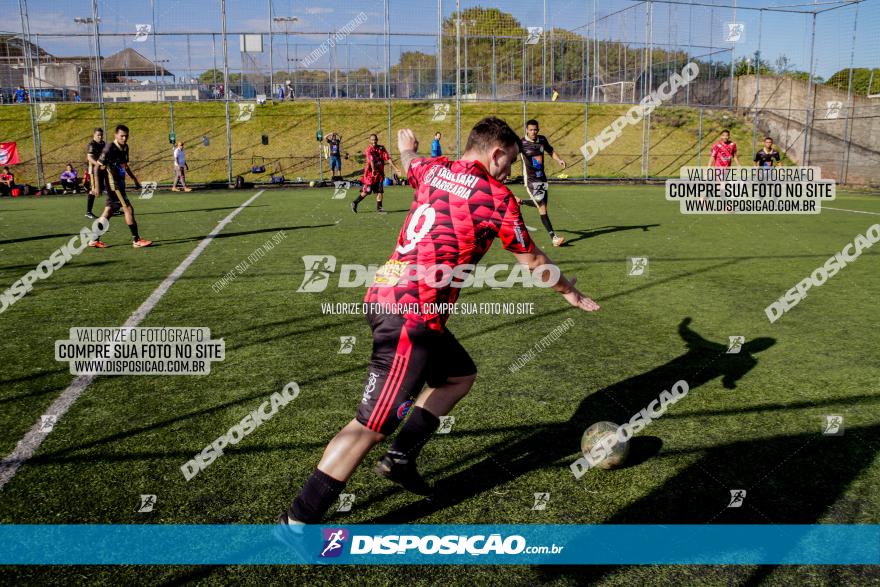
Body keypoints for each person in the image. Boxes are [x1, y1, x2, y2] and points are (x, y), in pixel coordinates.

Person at [278, 117, 600, 528]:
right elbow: (534, 262)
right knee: (369, 426)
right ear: (496, 152)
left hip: (392, 299)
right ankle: (299, 520)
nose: (509, 173)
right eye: (509, 162)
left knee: (458, 376)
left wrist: (407, 145)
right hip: (410, 317)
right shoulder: (496, 197)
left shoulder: (434, 168)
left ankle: (401, 457)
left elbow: (410, 161)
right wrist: (571, 292)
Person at [88, 125, 153, 249]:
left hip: (119, 183)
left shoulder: (125, 147)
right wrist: (97, 186)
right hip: (114, 185)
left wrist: (134, 179)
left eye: (126, 136)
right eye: (122, 135)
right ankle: (136, 240)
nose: (124, 138)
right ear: (115, 135)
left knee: (109, 211)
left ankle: (94, 239)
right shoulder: (109, 148)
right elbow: (97, 166)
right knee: (128, 208)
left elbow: (124, 165)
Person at [519, 119, 566, 247]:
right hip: (530, 180)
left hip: (542, 178)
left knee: (542, 205)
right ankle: (554, 238)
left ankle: (520, 201)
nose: (533, 132)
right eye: (531, 130)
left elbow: (550, 151)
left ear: (538, 130)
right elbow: (511, 156)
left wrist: (559, 160)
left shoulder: (542, 140)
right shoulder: (521, 143)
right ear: (527, 130)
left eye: (535, 129)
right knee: (542, 208)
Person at [350, 133, 401, 214]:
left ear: (377, 140)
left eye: (375, 140)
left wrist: (396, 168)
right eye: (372, 140)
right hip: (370, 175)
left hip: (380, 174)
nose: (374, 141)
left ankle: (379, 209)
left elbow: (388, 158)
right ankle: (355, 202)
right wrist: (373, 170)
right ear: (370, 141)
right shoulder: (369, 150)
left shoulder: (381, 148)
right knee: (368, 191)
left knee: (380, 191)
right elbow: (371, 161)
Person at [85, 127, 107, 219]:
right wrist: (98, 164)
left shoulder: (103, 143)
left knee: (103, 189)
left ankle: (113, 208)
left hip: (101, 169)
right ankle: (88, 212)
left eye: (101, 135)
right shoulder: (91, 144)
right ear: (94, 135)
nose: (100, 137)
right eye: (98, 135)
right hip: (93, 170)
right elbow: (89, 157)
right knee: (93, 190)